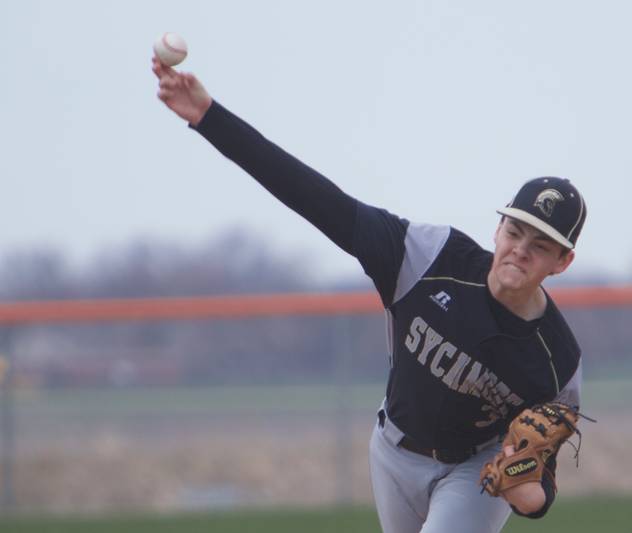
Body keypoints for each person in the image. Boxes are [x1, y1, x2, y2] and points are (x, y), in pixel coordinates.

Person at [152, 55, 587, 533]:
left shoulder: (557, 360)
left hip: (472, 470)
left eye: (540, 245)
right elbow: (315, 199)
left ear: (561, 262)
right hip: (392, 451)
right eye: (515, 231)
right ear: (498, 226)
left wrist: (526, 490)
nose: (519, 251)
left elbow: (537, 491)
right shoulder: (428, 258)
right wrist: (210, 117)